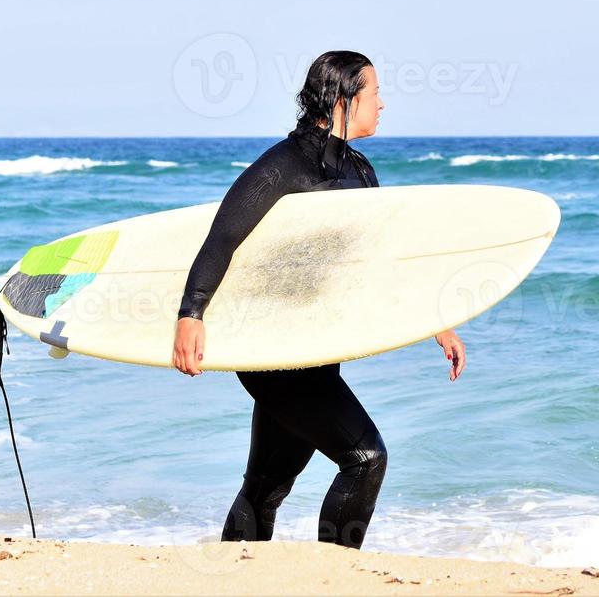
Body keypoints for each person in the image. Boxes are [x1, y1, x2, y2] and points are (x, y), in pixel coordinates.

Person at [171, 50, 466, 549]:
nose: (384, 103)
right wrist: (190, 313)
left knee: (266, 487)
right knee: (365, 458)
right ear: (343, 97)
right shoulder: (282, 167)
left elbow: (380, 258)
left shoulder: (360, 170)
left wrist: (434, 320)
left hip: (313, 351)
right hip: (273, 354)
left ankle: (234, 577)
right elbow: (223, 238)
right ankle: (335, 575)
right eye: (374, 92)